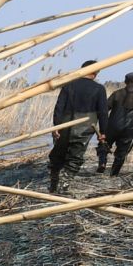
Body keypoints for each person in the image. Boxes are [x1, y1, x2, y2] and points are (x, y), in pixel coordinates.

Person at [47, 60, 108, 193]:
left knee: (58, 153)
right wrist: (103, 131)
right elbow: (103, 112)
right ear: (95, 73)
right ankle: (64, 184)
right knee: (76, 155)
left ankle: (54, 183)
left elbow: (59, 107)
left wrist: (56, 126)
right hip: (86, 126)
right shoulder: (99, 89)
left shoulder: (69, 85)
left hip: (65, 123)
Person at [95, 70, 133, 176]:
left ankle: (102, 163)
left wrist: (99, 120)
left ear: (125, 81)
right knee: (122, 152)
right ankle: (114, 173)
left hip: (112, 127)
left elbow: (105, 108)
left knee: (103, 145)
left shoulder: (117, 93)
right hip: (129, 130)